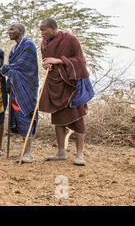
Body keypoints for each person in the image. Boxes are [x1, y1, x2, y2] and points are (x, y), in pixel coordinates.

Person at [39, 18, 94, 166]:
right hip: (55, 85)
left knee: (78, 118)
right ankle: (61, 152)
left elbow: (80, 61)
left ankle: (80, 154)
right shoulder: (44, 43)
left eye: (44, 29)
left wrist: (58, 61)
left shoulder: (70, 39)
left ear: (53, 28)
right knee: (57, 119)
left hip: (71, 86)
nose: (41, 32)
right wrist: (47, 64)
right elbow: (46, 61)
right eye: (40, 30)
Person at [0, 23, 39, 163]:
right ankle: (24, 151)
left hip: (27, 87)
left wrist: (5, 68)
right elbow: (14, 66)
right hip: (16, 87)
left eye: (12, 29)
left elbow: (22, 65)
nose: (9, 31)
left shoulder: (28, 45)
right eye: (9, 28)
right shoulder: (14, 48)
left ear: (21, 31)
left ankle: (28, 153)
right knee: (20, 117)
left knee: (26, 115)